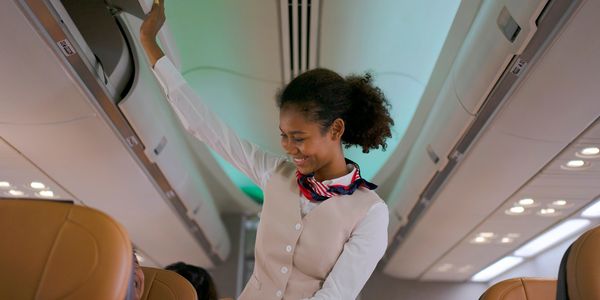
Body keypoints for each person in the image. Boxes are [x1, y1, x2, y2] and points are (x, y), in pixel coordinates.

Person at [140, 1, 392, 299]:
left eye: (298, 137)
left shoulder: (371, 213)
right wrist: (150, 45)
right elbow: (207, 128)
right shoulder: (274, 174)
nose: (288, 148)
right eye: (283, 136)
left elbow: (337, 295)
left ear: (335, 130)